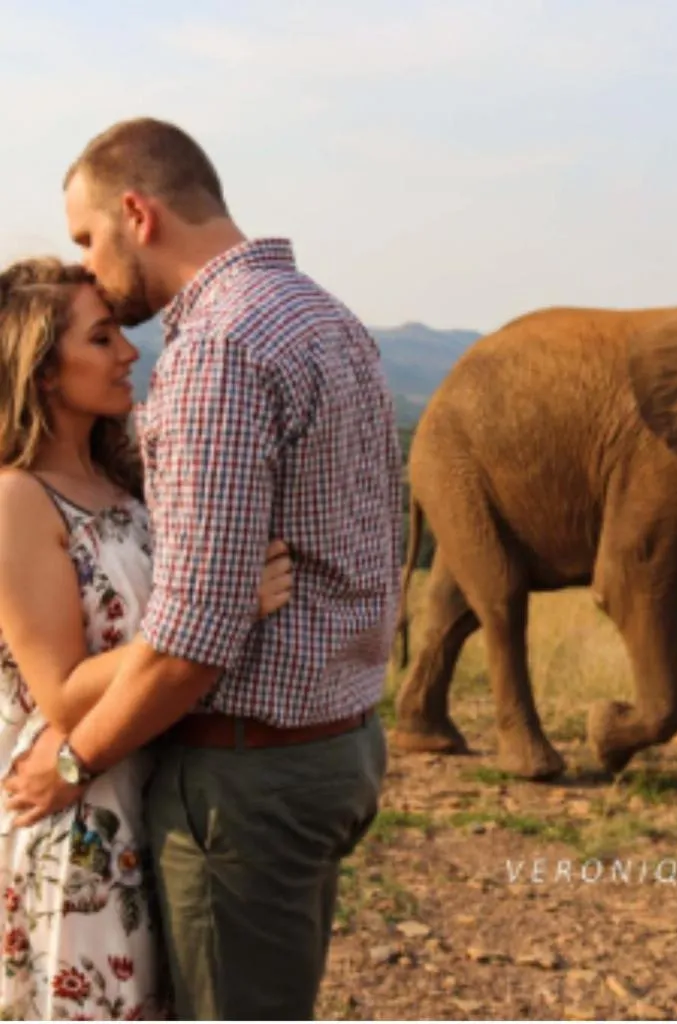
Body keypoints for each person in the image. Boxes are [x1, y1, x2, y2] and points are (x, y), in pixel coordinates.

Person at [2, 117, 404, 1020]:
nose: (89, 266)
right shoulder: (323, 316)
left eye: (85, 239)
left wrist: (75, 760)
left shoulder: (217, 348)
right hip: (336, 742)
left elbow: (194, 635)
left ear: (136, 214)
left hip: (248, 779)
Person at [0, 257, 296, 1019]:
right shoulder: (16, 500)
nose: (130, 352)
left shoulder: (122, 482)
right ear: (40, 371)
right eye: (102, 339)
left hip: (151, 794)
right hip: (78, 815)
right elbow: (61, 691)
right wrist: (226, 607)